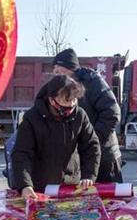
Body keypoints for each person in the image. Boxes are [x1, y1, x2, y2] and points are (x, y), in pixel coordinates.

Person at [11, 75, 100, 200]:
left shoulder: (80, 115)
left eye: (74, 100)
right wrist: (25, 185)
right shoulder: (32, 118)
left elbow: (91, 146)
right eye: (66, 100)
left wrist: (89, 176)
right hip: (40, 188)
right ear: (52, 100)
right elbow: (21, 154)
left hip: (71, 186)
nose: (71, 104)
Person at [52, 48, 123, 182]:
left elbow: (112, 113)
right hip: (83, 159)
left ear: (70, 68)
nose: (54, 71)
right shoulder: (62, 87)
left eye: (58, 67)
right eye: (53, 68)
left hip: (105, 157)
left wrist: (93, 141)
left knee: (111, 201)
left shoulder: (92, 81)